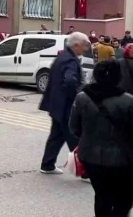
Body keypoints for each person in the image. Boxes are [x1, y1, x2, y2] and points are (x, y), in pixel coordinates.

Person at [70, 60, 133, 217]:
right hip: (125, 162)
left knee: (101, 197)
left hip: (91, 158)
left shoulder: (82, 98)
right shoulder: (130, 101)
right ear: (119, 77)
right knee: (123, 202)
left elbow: (74, 128)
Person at [39, 32, 90, 175]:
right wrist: (79, 96)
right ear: (76, 45)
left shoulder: (62, 57)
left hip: (57, 105)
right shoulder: (70, 61)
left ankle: (47, 165)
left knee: (56, 136)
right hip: (66, 107)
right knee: (75, 139)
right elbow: (70, 81)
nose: (85, 49)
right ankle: (86, 172)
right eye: (84, 46)